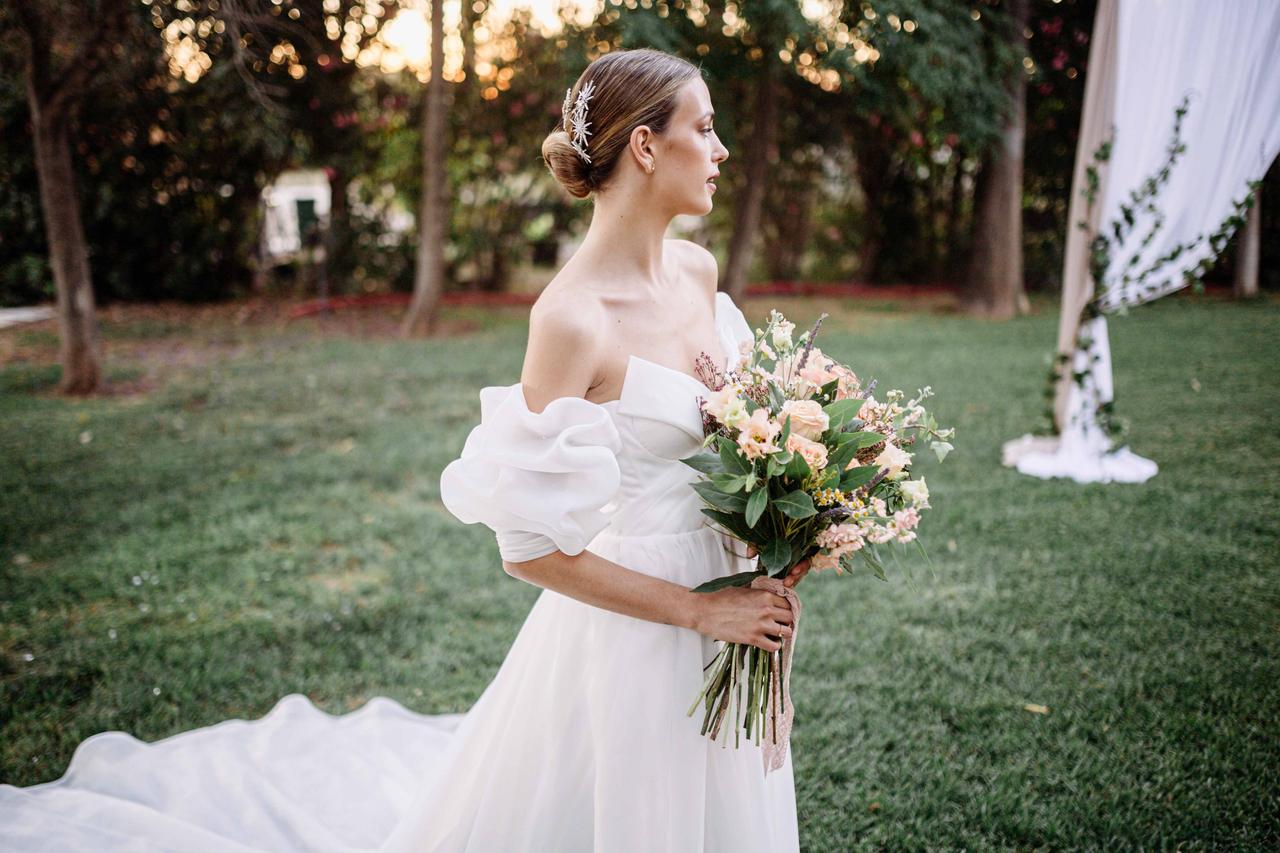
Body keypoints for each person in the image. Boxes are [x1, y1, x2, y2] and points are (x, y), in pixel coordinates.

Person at [0, 47, 811, 852]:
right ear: (644, 145)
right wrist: (699, 609)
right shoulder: (571, 321)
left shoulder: (700, 273)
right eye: (703, 129)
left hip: (737, 601)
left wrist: (792, 527)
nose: (720, 149)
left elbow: (741, 439)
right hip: (645, 636)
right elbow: (528, 550)